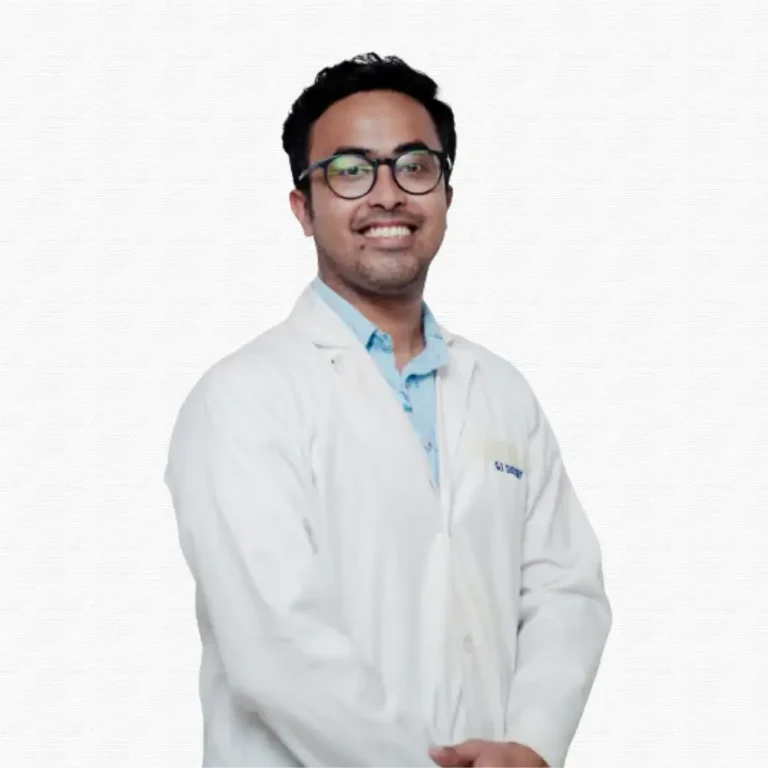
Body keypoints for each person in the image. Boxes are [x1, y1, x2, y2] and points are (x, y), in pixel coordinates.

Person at [164, 52, 612, 768]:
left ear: (446, 196)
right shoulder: (242, 399)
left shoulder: (500, 389)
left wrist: (529, 745)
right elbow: (275, 646)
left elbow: (565, 587)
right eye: (349, 170)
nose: (387, 195)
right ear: (303, 209)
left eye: (414, 165)